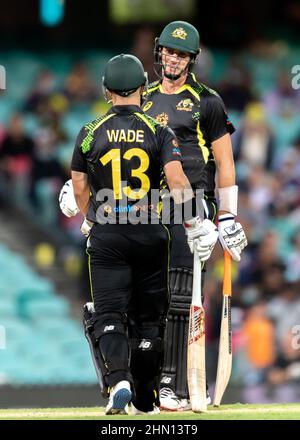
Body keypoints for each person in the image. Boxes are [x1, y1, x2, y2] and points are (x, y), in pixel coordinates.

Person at [62, 53, 219, 415]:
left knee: (109, 314)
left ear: (106, 91)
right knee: (151, 319)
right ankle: (148, 397)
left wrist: (90, 217)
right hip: (150, 232)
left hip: (108, 235)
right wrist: (195, 222)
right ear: (143, 87)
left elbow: (80, 184)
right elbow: (179, 182)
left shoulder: (89, 133)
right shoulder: (159, 131)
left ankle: (119, 380)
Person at [142, 21, 247, 410]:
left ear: (192, 59)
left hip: (192, 210)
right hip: (148, 209)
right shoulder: (142, 97)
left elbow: (225, 164)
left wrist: (228, 218)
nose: (173, 58)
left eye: (181, 53)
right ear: (159, 52)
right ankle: (148, 385)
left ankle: (177, 384)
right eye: (169, 51)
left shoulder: (208, 101)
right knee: (150, 298)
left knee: (184, 297)